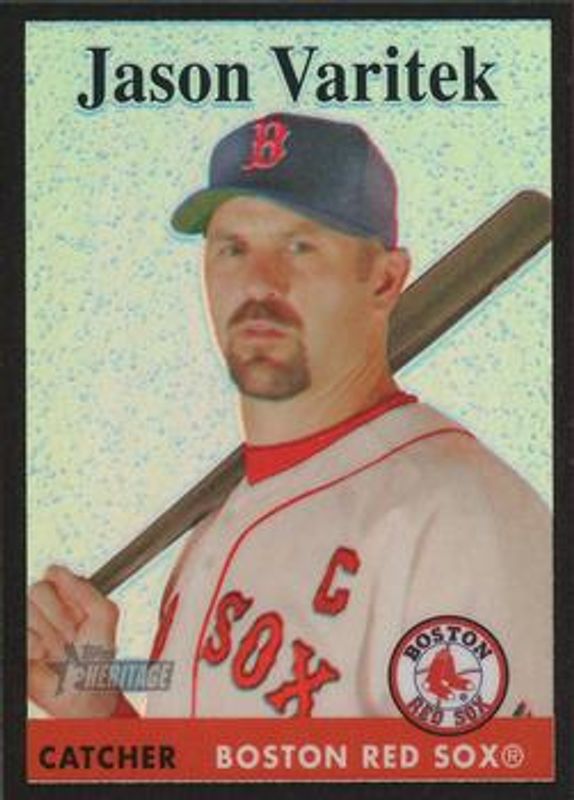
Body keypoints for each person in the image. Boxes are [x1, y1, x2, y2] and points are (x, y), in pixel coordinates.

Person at [27, 112, 551, 720]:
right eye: (233, 248)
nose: (259, 282)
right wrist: (98, 716)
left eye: (300, 246)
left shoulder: (461, 522)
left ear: (385, 281)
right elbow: (210, 764)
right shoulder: (217, 523)